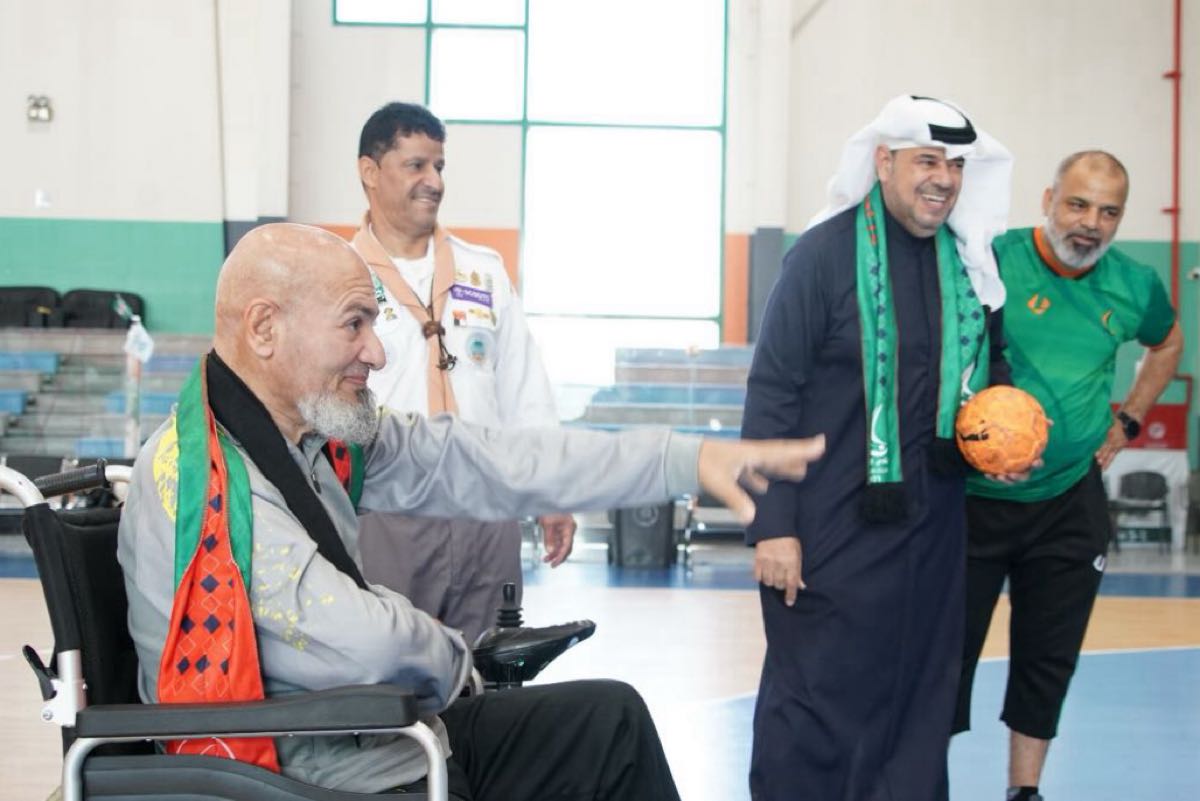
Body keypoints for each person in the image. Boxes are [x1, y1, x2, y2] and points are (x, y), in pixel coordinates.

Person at [117, 223, 826, 798]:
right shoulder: (195, 485)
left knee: (610, 721)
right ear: (264, 328)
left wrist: (681, 460)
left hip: (387, 743)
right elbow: (369, 645)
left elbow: (491, 461)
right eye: (354, 324)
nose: (376, 351)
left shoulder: (317, 439)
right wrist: (462, 661)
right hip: (306, 776)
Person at [742, 94, 1016, 800]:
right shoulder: (822, 257)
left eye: (957, 166)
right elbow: (773, 390)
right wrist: (773, 527)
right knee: (816, 699)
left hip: (935, 533)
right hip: (827, 529)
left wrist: (1007, 440)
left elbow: (992, 375)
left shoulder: (970, 268)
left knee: (919, 701)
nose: (944, 180)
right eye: (928, 161)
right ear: (884, 161)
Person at [953, 151, 1183, 801]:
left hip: (1067, 502)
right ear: (1048, 199)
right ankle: (920, 779)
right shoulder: (989, 260)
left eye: (1109, 211)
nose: (1090, 223)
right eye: (1078, 204)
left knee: (1048, 658)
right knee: (943, 658)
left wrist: (1129, 418)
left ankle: (1024, 791)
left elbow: (1167, 342)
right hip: (968, 502)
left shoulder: (1133, 284)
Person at [350, 102, 572, 643]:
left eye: (439, 166)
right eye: (416, 165)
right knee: (392, 660)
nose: (434, 181)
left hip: (485, 510)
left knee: (490, 662)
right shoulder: (339, 275)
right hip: (389, 512)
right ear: (370, 172)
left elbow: (524, 391)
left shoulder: (482, 271)